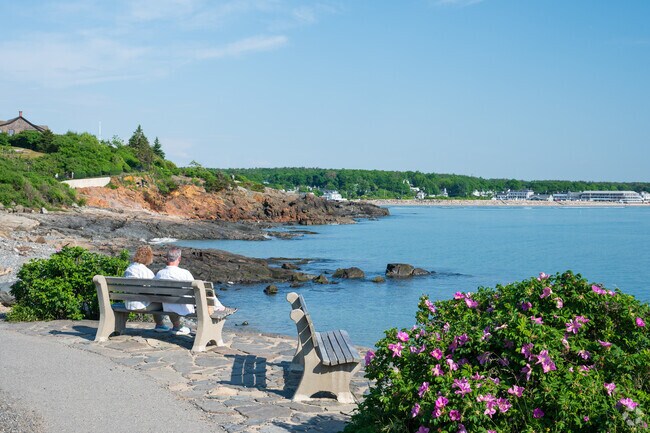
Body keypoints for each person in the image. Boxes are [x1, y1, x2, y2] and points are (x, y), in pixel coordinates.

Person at [123, 245, 170, 332]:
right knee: (162, 303)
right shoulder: (147, 272)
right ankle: (160, 325)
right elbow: (154, 292)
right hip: (141, 306)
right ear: (148, 257)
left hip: (128, 304)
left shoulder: (129, 268)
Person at [155, 247, 193, 335]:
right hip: (182, 306)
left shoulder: (160, 273)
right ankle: (177, 326)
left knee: (171, 302)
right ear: (179, 259)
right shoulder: (185, 273)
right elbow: (193, 290)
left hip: (167, 305)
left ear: (167, 258)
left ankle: (176, 326)